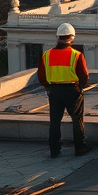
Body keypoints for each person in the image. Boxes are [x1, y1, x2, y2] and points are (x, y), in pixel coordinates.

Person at [38, 23, 91, 158]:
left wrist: (48, 87)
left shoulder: (47, 55)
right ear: (72, 38)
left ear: (58, 37)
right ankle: (80, 147)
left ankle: (54, 150)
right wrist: (81, 87)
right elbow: (84, 75)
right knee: (77, 120)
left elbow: (41, 76)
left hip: (54, 91)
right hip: (72, 90)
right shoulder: (76, 55)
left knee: (55, 122)